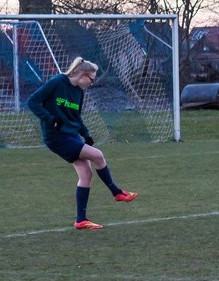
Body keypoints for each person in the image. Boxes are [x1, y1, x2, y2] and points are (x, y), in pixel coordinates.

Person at [27, 57, 138, 229]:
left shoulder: (79, 91)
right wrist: (50, 119)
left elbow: (76, 116)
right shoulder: (57, 82)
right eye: (91, 79)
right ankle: (117, 192)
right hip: (56, 137)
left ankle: (81, 220)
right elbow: (32, 101)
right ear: (82, 75)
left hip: (71, 135)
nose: (91, 83)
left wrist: (85, 134)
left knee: (86, 175)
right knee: (98, 156)